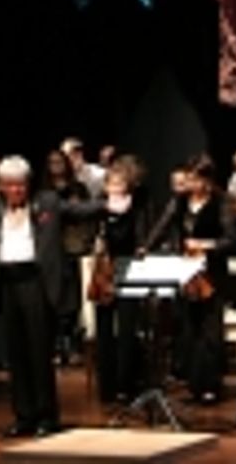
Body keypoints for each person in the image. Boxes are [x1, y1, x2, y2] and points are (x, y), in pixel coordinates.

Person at [0, 156, 102, 438]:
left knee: (38, 352)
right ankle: (24, 416)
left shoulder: (46, 202)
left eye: (20, 185)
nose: (15, 190)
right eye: (10, 185)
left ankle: (47, 416)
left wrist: (106, 205)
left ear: (28, 183)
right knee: (16, 354)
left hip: (35, 283)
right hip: (7, 284)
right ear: (1, 186)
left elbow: (77, 210)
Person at [142, 155, 236, 404]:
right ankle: (194, 384)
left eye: (195, 179)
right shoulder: (180, 201)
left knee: (210, 328)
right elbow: (162, 226)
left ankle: (211, 385)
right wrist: (146, 247)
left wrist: (206, 245)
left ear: (207, 180)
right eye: (189, 178)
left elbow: (231, 239)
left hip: (212, 270)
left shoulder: (221, 202)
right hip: (187, 269)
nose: (190, 184)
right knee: (190, 326)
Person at [91, 165, 149, 403]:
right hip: (104, 270)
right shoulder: (99, 208)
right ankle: (107, 387)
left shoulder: (135, 209)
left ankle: (126, 385)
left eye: (120, 184)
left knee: (127, 328)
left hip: (127, 268)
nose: (115, 188)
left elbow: (137, 240)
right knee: (104, 329)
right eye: (111, 184)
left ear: (127, 187)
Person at [39, 148, 92, 365]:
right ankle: (56, 344)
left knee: (74, 298)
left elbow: (88, 215)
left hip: (74, 247)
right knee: (54, 297)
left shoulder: (78, 188)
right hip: (51, 250)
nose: (56, 166)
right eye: (52, 162)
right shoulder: (44, 193)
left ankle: (72, 343)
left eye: (60, 161)